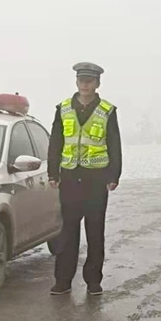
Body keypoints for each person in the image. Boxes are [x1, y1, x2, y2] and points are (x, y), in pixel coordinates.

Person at [47, 62, 122, 296]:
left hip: (96, 179)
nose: (85, 84)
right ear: (77, 82)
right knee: (67, 232)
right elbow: (56, 143)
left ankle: (93, 281)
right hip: (69, 177)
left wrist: (114, 175)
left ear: (97, 84)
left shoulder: (107, 110)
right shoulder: (64, 108)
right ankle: (63, 280)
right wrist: (53, 172)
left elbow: (114, 144)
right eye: (82, 80)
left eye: (90, 80)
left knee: (95, 232)